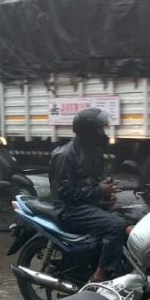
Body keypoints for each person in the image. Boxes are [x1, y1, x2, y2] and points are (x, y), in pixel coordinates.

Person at [50, 108, 125, 283]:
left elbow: (94, 180)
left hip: (87, 205)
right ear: (89, 130)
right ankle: (101, 275)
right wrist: (99, 191)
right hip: (69, 210)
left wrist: (106, 194)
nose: (103, 133)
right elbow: (66, 192)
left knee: (130, 217)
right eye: (100, 129)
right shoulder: (65, 155)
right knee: (115, 226)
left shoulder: (94, 151)